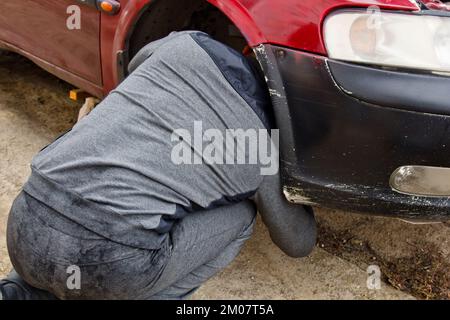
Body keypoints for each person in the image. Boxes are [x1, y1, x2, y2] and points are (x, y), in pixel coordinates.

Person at [0, 31, 316, 300]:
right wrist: (302, 187)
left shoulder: (184, 43)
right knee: (242, 216)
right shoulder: (261, 147)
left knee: (79, 182)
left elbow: (135, 64)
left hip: (24, 223)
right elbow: (298, 243)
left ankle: (18, 290)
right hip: (109, 261)